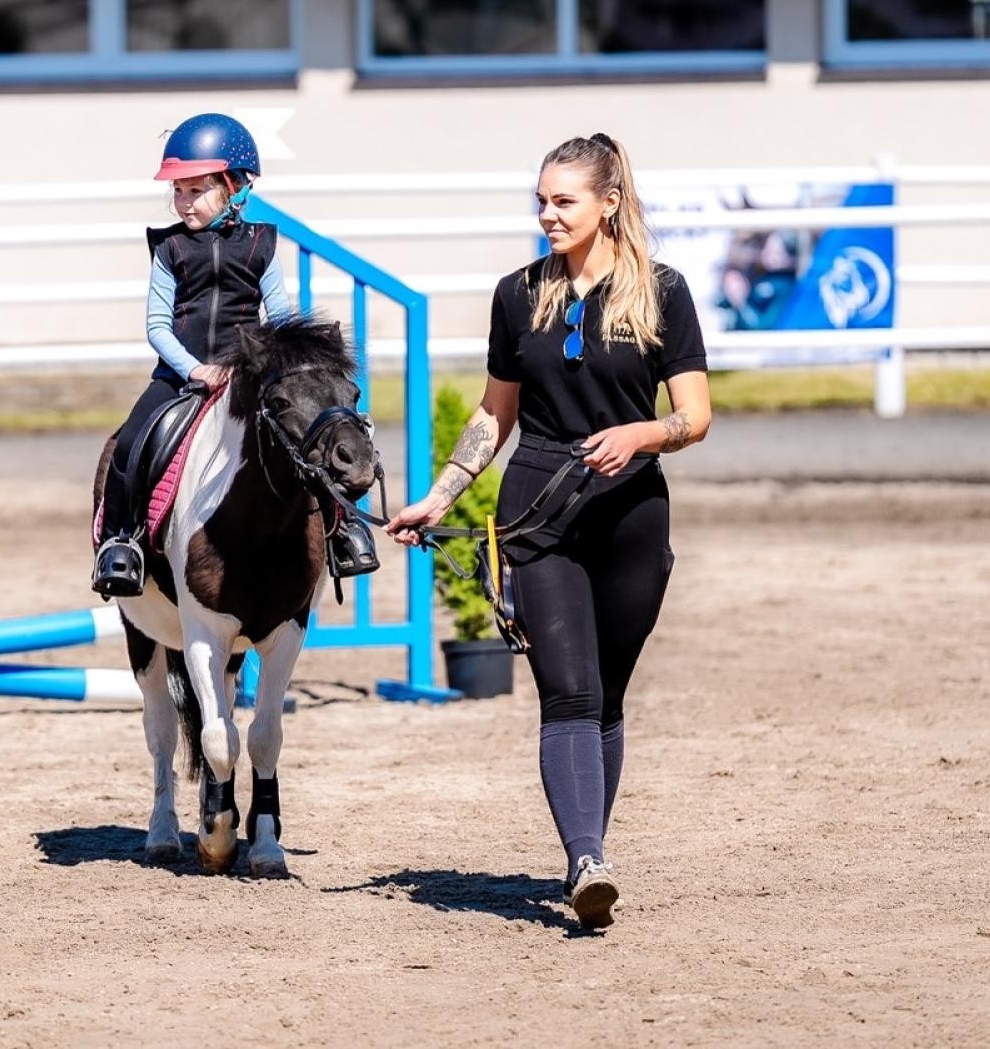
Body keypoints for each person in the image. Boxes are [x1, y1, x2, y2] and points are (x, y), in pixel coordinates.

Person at [385, 132, 712, 931]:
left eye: (563, 201)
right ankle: (587, 861)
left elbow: (695, 417)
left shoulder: (662, 293)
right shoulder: (516, 294)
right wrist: (440, 494)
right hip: (537, 510)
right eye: (540, 200)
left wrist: (640, 436)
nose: (547, 215)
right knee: (567, 692)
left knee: (606, 698)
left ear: (608, 203)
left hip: (631, 512)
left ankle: (587, 847)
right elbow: (495, 415)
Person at [92, 112, 378, 597]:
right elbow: (157, 326)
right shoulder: (170, 249)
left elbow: (281, 315)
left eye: (196, 190)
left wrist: (273, 366)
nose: (184, 202)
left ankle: (342, 532)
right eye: (178, 191)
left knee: (306, 440)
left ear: (234, 188)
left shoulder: (261, 245)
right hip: (180, 376)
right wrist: (196, 369)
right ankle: (123, 543)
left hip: (249, 377)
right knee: (131, 443)